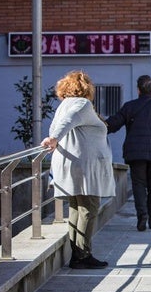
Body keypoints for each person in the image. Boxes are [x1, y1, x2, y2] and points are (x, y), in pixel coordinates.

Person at [41, 71, 116, 270]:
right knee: (89, 207)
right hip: (83, 166)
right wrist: (54, 139)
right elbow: (67, 123)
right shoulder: (81, 104)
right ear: (86, 87)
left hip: (73, 163)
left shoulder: (64, 105)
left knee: (77, 207)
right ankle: (82, 255)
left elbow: (62, 124)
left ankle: (78, 253)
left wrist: (54, 137)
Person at [105, 75, 151, 231]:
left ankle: (142, 217)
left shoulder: (130, 107)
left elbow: (112, 125)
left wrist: (99, 122)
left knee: (139, 186)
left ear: (138, 90)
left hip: (136, 154)